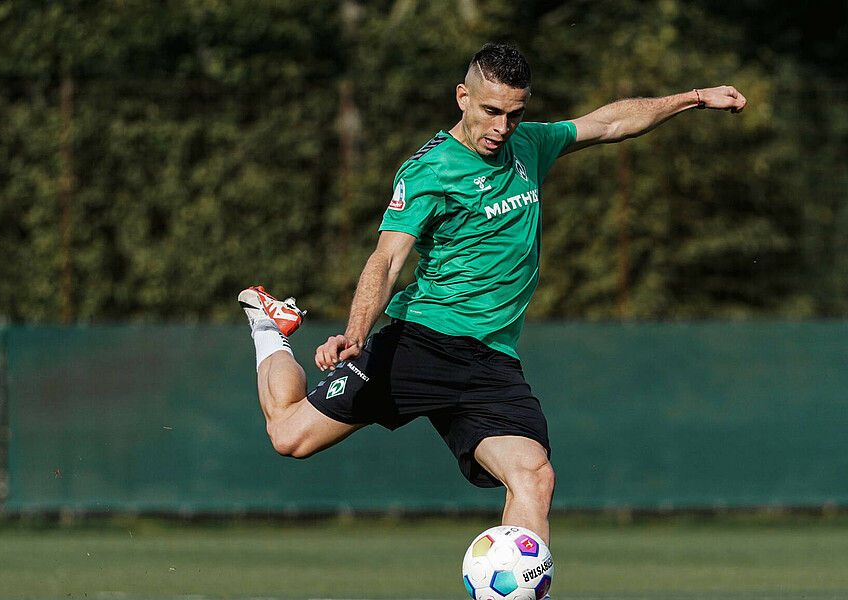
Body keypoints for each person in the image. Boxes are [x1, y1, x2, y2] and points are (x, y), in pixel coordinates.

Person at [239, 43, 745, 547]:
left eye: (515, 113)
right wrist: (355, 334)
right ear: (463, 97)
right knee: (289, 437)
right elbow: (387, 259)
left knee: (534, 478)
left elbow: (610, 123)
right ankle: (270, 327)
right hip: (423, 343)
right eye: (491, 111)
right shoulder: (429, 170)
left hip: (493, 363)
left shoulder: (529, 145)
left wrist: (695, 98)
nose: (503, 127)